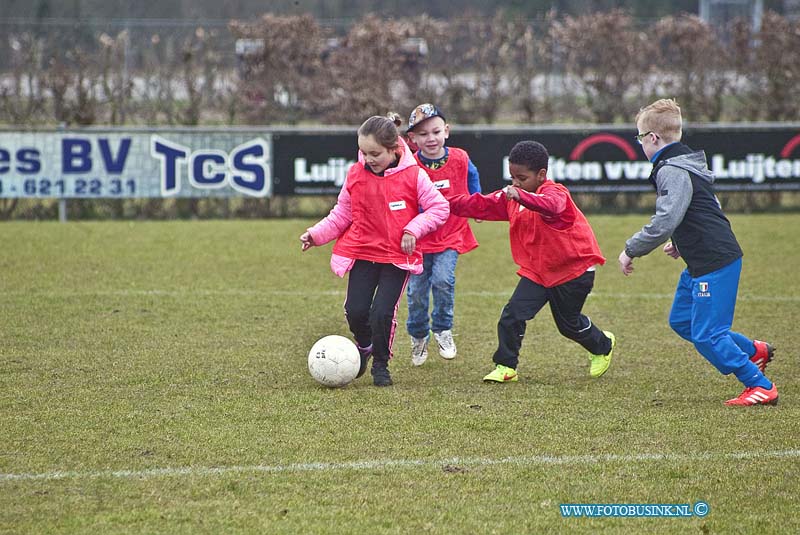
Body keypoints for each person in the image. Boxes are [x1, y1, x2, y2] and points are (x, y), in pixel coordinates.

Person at [618, 98, 777, 406]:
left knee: (708, 335)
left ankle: (760, 385)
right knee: (682, 321)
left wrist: (631, 249)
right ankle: (754, 351)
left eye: (640, 138)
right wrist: (681, 242)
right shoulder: (684, 162)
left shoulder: (672, 169)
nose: (640, 145)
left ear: (653, 138)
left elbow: (666, 218)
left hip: (714, 261)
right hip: (702, 261)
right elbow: (703, 208)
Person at [300, 114, 449, 387]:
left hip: (395, 257)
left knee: (382, 312)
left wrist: (412, 230)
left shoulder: (414, 175)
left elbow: (440, 208)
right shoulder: (356, 175)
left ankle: (381, 363)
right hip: (363, 251)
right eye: (364, 152)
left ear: (394, 149)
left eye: (375, 153)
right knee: (356, 311)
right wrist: (316, 234)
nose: (368, 159)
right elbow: (342, 213)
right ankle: (365, 346)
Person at [448, 140, 615, 383]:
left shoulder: (556, 194)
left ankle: (603, 345)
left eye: (522, 178)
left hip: (573, 271)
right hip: (538, 272)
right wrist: (441, 202)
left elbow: (553, 206)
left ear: (541, 175)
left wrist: (522, 195)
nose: (515, 183)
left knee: (568, 325)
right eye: (512, 177)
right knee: (512, 315)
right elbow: (480, 204)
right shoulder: (514, 197)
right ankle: (506, 367)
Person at [404, 103, 482, 366]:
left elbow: (473, 179)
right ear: (412, 140)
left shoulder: (460, 158)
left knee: (442, 280)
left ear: (446, 131)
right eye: (423, 134)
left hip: (452, 234)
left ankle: (443, 328)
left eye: (436, 132)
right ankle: (418, 335)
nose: (431, 139)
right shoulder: (409, 166)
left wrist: (476, 205)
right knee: (415, 291)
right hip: (418, 240)